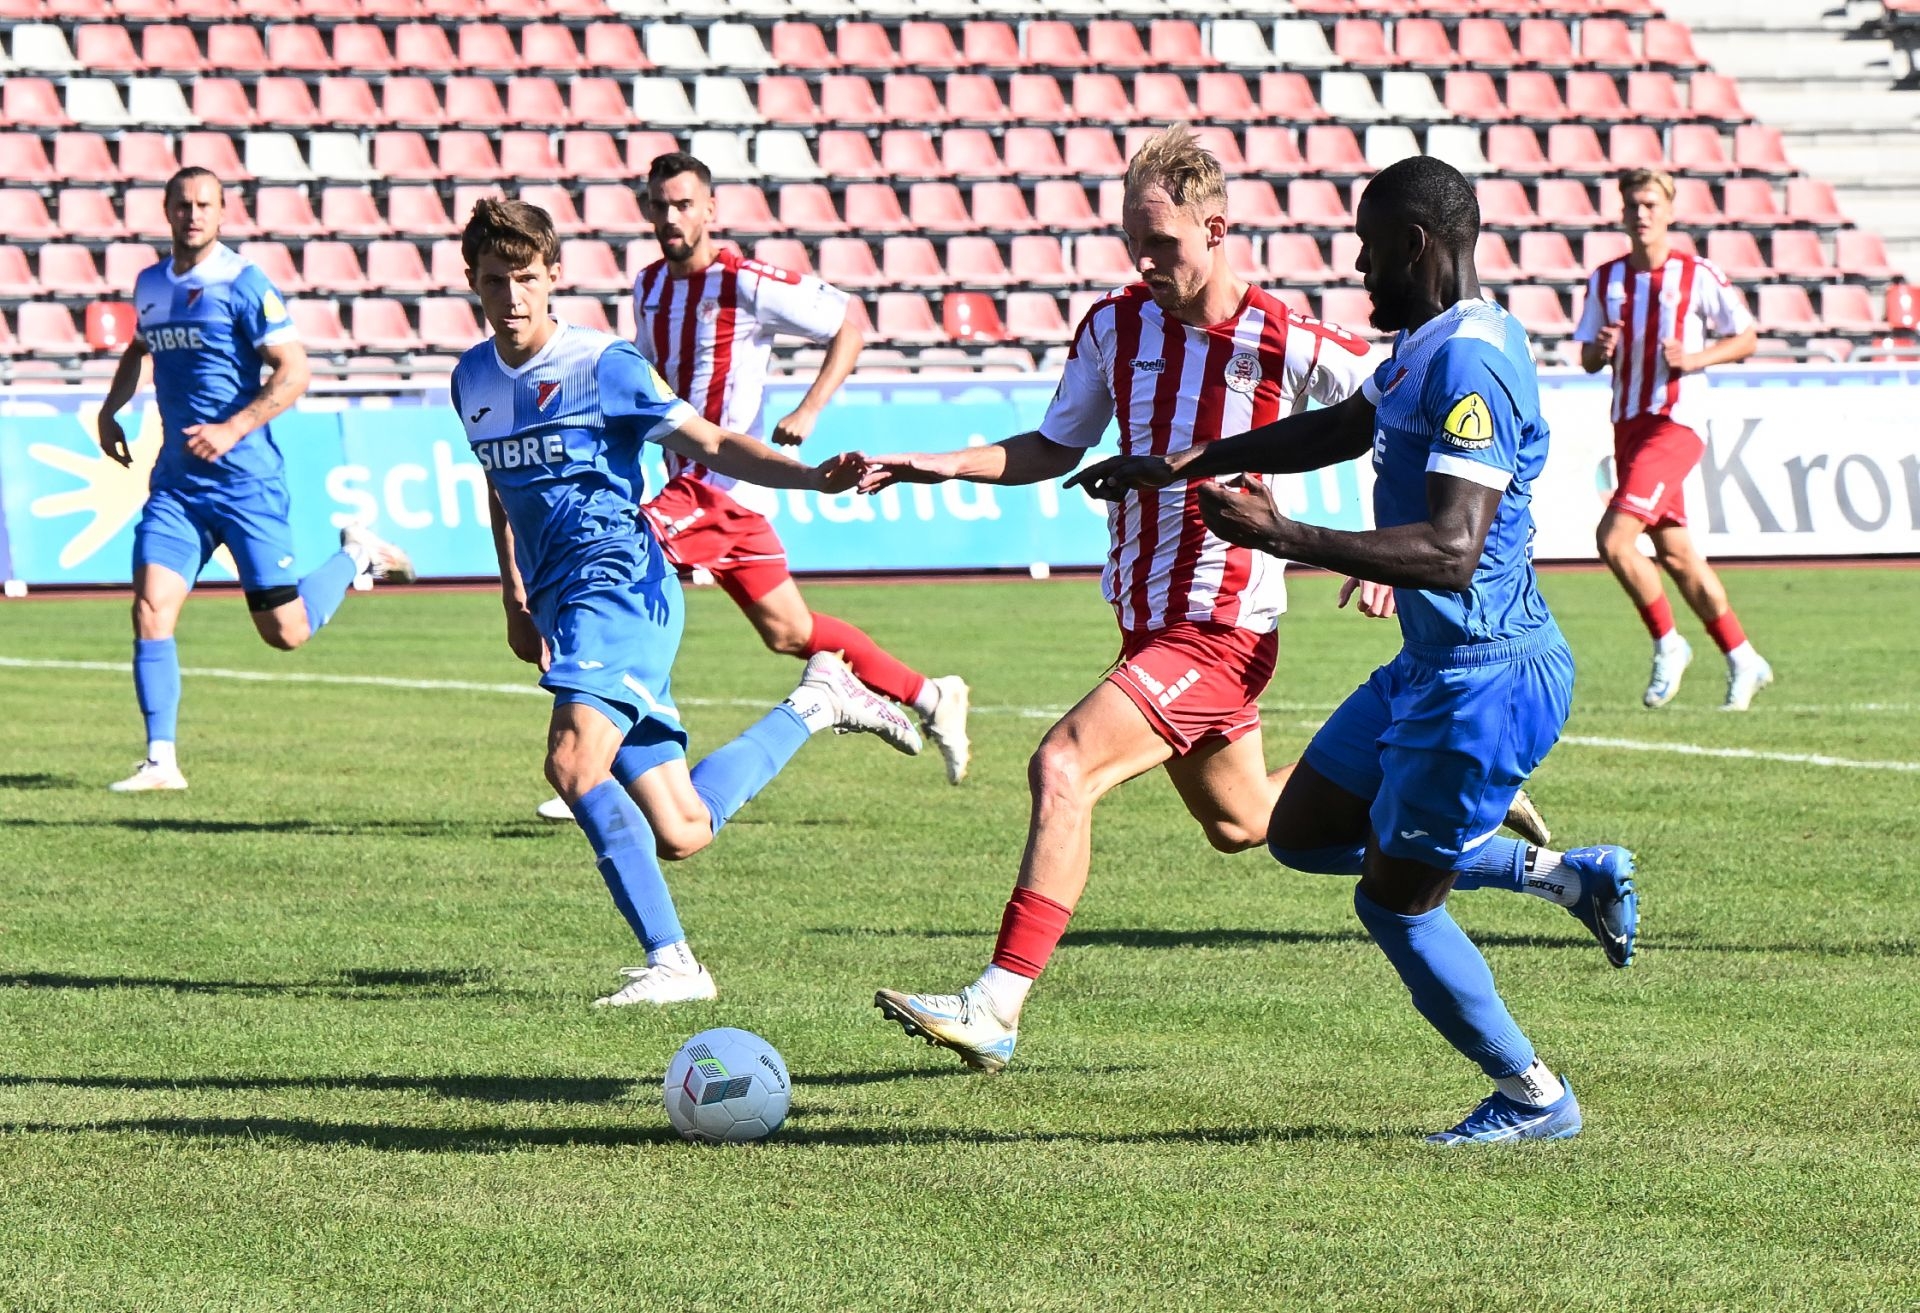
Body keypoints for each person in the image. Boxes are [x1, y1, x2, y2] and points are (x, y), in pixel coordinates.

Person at [861, 127, 1549, 1077]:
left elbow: (1391, 422)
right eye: (1132, 243)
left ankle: (997, 1003)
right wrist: (939, 463)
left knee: (1063, 765)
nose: (1144, 262)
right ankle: (1520, 851)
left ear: (1216, 230)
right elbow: (1055, 444)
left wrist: (1382, 555)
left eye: (1162, 243)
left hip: (1221, 629)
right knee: (1250, 823)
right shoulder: (1113, 328)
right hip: (1147, 622)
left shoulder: (1289, 336)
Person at [1072, 156, 1640, 1144]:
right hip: (1430, 671)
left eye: (1370, 248)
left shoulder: (1472, 364)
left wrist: (1284, 535)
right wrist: (1187, 463)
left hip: (1485, 681)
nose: (1358, 265)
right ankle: (1566, 876)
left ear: (1416, 245)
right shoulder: (1428, 344)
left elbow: (1454, 551)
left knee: (1395, 904)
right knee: (1298, 832)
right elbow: (1340, 425)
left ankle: (1533, 1095)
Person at [455, 198, 922, 1006]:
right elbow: (500, 485)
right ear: (473, 282)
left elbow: (709, 441)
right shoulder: (470, 377)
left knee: (571, 762)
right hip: (564, 605)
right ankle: (818, 700)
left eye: (526, 277)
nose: (512, 297)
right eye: (495, 281)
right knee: (682, 829)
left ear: (555, 275)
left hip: (621, 588)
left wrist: (810, 477)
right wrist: (513, 596)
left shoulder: (602, 365)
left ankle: (674, 962)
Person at [528, 152, 969, 824]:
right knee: (792, 632)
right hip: (701, 490)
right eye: (659, 205)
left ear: (710, 209)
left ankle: (598, 763)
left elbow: (848, 326)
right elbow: (649, 377)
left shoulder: (744, 280)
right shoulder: (649, 285)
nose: (671, 217)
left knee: (611, 572)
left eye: (683, 204)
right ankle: (932, 694)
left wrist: (809, 409)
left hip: (721, 485)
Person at [95, 165, 413, 793]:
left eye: (205, 204)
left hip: (246, 484)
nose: (193, 214)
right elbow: (139, 348)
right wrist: (111, 410)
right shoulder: (150, 283)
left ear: (222, 212)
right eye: (183, 204)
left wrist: (233, 428)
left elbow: (294, 371)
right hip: (178, 487)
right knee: (150, 609)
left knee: (285, 632)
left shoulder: (243, 282)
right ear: (166, 210)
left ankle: (357, 555)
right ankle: (161, 761)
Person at [1574, 168, 1768, 710]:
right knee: (1677, 556)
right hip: (1628, 425)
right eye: (1633, 205)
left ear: (1669, 211)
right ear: (1621, 213)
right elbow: (1586, 358)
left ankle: (1668, 643)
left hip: (1676, 423)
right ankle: (1743, 657)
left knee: (1614, 540)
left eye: (1651, 204)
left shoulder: (1696, 274)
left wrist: (1697, 358)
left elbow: (1747, 336)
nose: (1642, 214)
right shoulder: (1606, 278)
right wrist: (1600, 351)